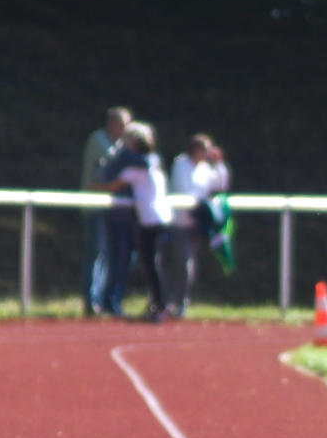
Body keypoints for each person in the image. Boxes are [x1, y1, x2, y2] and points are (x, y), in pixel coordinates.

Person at [91, 122, 172, 322]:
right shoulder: (154, 161)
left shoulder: (135, 169)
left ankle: (160, 304)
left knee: (151, 265)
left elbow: (111, 185)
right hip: (161, 217)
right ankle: (159, 303)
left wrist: (92, 184)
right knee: (154, 264)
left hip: (150, 220)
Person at [164, 134, 227, 317]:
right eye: (204, 149)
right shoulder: (181, 163)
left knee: (187, 265)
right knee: (180, 264)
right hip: (179, 223)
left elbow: (221, 184)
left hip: (196, 225)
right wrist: (201, 202)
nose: (207, 153)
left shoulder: (206, 168)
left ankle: (179, 302)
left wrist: (219, 164)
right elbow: (184, 189)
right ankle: (169, 301)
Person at [80, 107, 130, 316]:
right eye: (124, 125)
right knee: (96, 253)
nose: (126, 131)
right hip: (95, 207)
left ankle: (101, 299)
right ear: (113, 124)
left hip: (111, 208)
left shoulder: (119, 144)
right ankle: (91, 301)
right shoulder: (98, 140)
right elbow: (115, 163)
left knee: (108, 254)